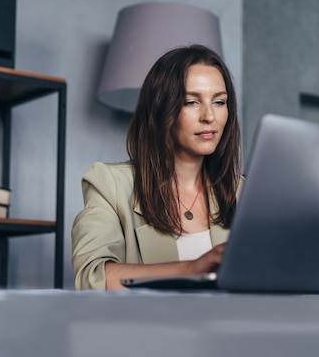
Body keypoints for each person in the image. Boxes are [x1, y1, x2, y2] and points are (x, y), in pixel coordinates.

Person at [72, 44, 243, 290]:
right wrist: (190, 269)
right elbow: (91, 277)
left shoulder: (243, 192)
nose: (209, 116)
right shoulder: (110, 184)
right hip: (151, 327)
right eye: (191, 102)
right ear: (162, 109)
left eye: (219, 101)